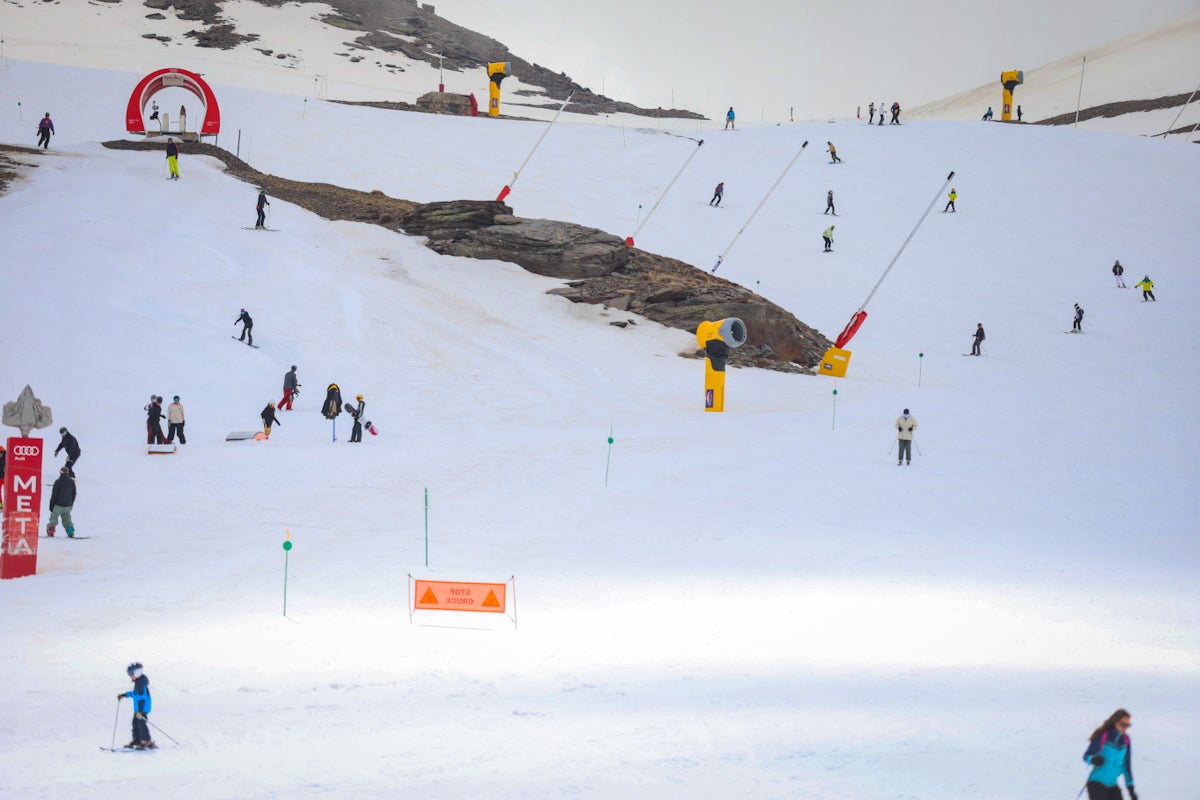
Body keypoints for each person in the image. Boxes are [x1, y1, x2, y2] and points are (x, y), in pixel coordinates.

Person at [1082, 709, 1136, 800]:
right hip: (1096, 782)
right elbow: (1086, 756)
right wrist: (1094, 759)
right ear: (1115, 722)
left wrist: (1130, 788)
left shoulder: (1126, 740)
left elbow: (1126, 765)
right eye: (1122, 724)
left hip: (1112, 784)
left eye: (1127, 725)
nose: (1125, 728)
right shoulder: (1104, 735)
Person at [118, 662, 155, 750]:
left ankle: (146, 741)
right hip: (138, 709)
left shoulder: (141, 684)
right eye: (129, 673)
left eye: (131, 673)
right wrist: (125, 695)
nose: (130, 675)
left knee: (141, 723)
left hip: (143, 709)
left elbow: (141, 699)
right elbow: (135, 694)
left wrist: (140, 711)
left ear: (137, 672)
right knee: (135, 723)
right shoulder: (138, 682)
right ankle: (137, 739)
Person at [46, 466, 76, 537]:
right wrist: (71, 504)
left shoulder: (58, 482)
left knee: (53, 519)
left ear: (60, 473)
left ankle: (51, 531)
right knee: (67, 520)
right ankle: (70, 531)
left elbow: (54, 494)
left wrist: (51, 505)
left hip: (58, 505)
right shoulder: (72, 482)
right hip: (68, 505)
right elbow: (74, 494)